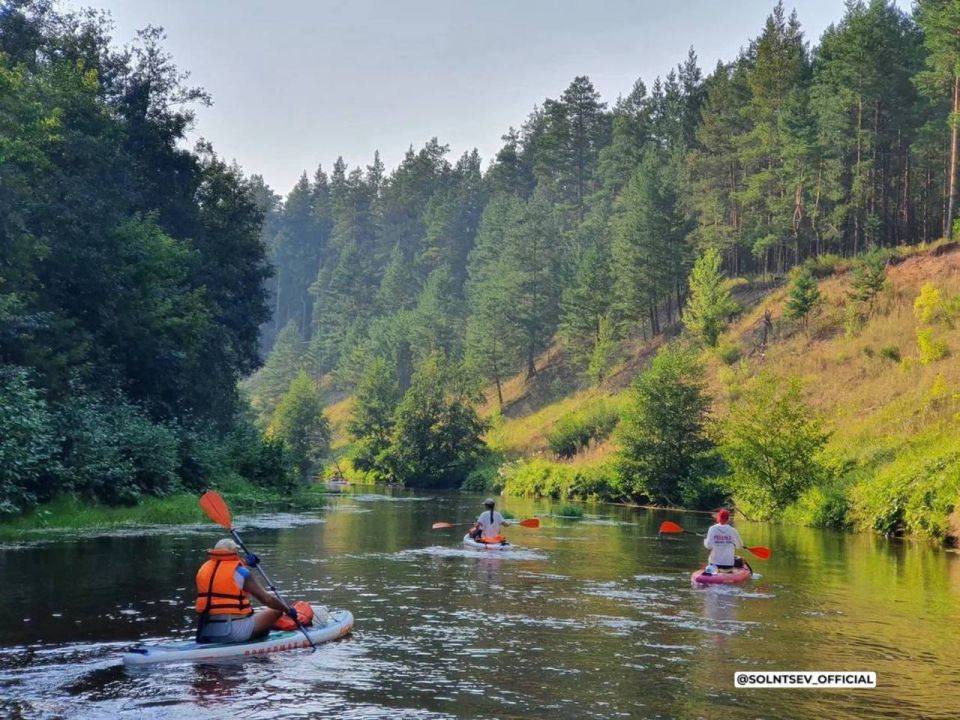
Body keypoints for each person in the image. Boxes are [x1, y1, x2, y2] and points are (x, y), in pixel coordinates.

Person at [195, 538, 298, 643]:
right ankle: (257, 646)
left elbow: (225, 570)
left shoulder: (203, 570)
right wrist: (288, 610)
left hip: (205, 632)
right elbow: (267, 599)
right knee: (277, 610)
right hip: (232, 633)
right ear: (234, 551)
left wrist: (246, 562)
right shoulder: (242, 573)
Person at [702, 509, 747, 575]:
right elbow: (739, 546)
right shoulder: (733, 530)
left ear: (718, 517)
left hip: (714, 566)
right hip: (728, 567)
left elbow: (708, 546)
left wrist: (705, 539)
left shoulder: (712, 529)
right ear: (728, 519)